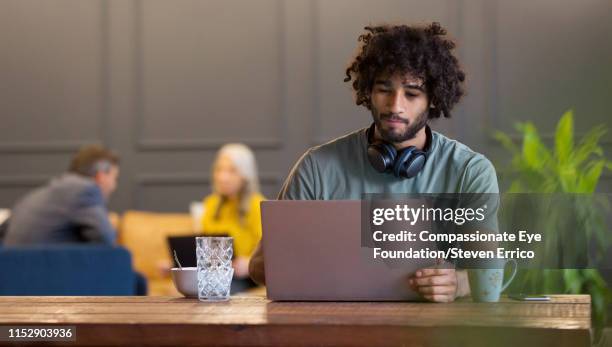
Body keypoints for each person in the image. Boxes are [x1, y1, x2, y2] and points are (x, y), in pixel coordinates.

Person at [249, 22, 499, 303]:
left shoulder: (470, 171)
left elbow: (491, 271)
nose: (395, 106)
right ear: (368, 91)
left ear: (433, 99)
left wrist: (459, 283)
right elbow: (259, 268)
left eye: (412, 94)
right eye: (384, 89)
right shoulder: (316, 168)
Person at [4, 145, 119, 246]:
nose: (114, 186)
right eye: (114, 178)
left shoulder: (36, 195)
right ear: (101, 176)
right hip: (44, 267)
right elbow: (106, 241)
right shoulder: (85, 191)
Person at [201, 143, 265, 293]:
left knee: (214, 290)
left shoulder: (257, 205)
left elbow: (269, 250)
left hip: (245, 277)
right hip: (214, 273)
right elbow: (203, 245)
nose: (222, 177)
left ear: (245, 175)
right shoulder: (211, 203)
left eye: (232, 171)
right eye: (219, 169)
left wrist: (249, 263)